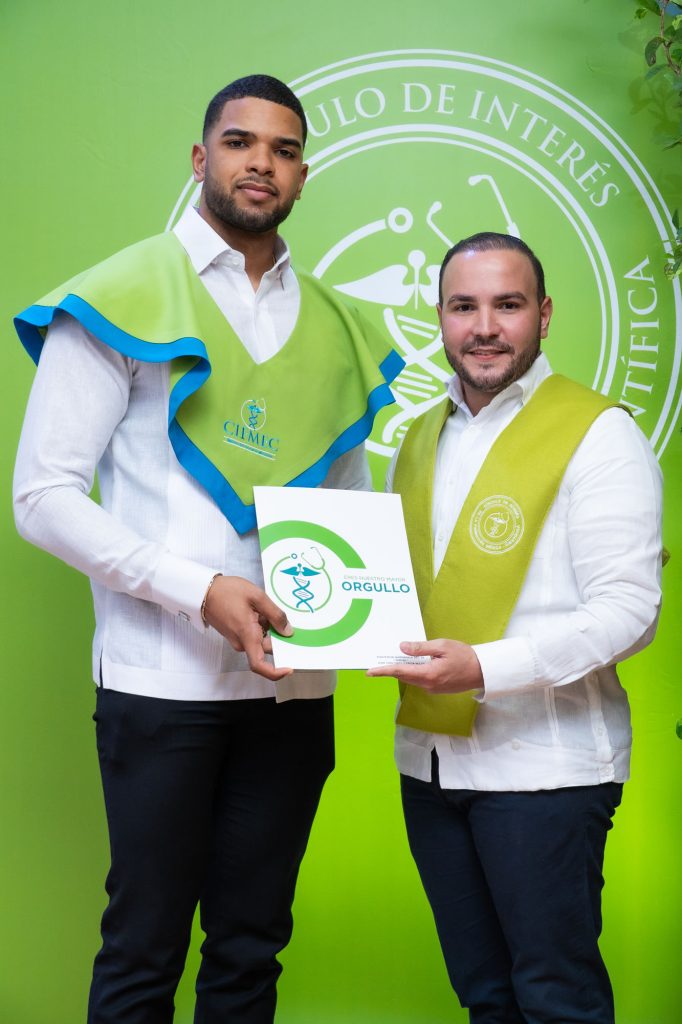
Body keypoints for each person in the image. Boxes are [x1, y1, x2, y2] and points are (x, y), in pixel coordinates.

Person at [13, 75, 402, 1024]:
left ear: (302, 173)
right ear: (200, 159)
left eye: (283, 149)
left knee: (252, 949)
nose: (261, 163)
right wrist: (199, 589)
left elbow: (347, 504)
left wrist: (372, 614)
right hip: (161, 683)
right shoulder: (120, 295)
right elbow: (42, 498)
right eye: (239, 142)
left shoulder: (339, 325)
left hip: (294, 693)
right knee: (144, 948)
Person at [368, 232, 662, 1024]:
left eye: (508, 305)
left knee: (556, 1000)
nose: (485, 327)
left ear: (544, 315)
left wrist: (485, 669)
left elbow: (630, 609)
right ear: (439, 317)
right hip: (431, 765)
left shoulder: (599, 433)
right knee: (486, 999)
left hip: (545, 771)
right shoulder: (420, 437)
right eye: (464, 307)